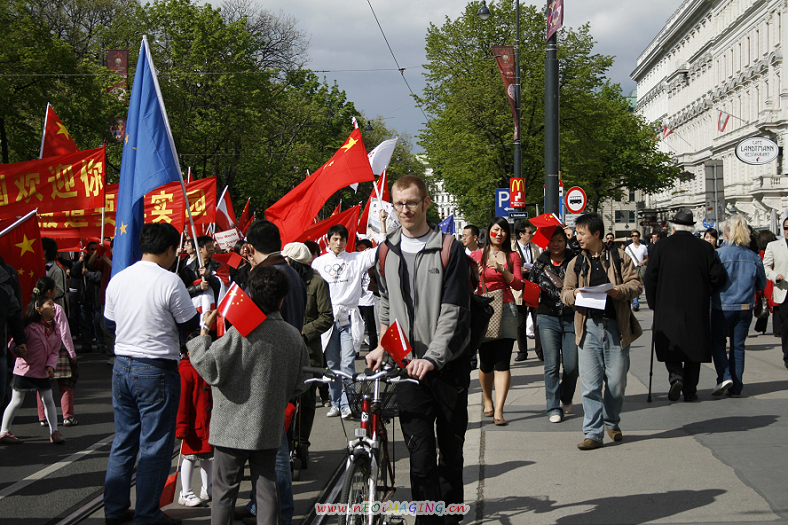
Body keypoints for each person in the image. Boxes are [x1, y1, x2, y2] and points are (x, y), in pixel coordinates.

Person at [366, 175, 471, 525]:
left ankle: (450, 516)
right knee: (420, 456)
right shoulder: (386, 250)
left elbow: (454, 310)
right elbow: (384, 301)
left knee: (450, 453)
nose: (406, 210)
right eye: (399, 203)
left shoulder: (449, 247)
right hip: (406, 369)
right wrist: (383, 343)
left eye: (412, 202)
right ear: (392, 207)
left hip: (447, 368)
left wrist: (433, 357)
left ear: (426, 203)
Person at [188, 266, 309, 525]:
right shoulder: (292, 337)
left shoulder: (241, 332)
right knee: (267, 489)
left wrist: (203, 333)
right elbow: (301, 383)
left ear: (251, 295)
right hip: (268, 423)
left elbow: (208, 367)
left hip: (231, 426)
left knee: (224, 490)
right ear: (281, 299)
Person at [103, 223, 200, 525]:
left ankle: (115, 510)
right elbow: (190, 325)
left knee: (124, 442)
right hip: (156, 369)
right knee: (155, 445)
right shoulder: (170, 282)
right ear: (170, 250)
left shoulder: (119, 279)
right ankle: (147, 513)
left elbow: (108, 325)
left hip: (122, 366)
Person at [242, 220, 307, 525]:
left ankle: (279, 512)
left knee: (274, 448)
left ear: (250, 248)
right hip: (290, 359)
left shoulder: (264, 276)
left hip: (266, 365)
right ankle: (261, 505)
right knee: (273, 441)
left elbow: (244, 324)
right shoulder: (293, 271)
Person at [560, 213, 643, 450]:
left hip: (616, 327)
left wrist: (619, 291)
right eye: (577, 233)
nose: (578, 237)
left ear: (596, 234)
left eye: (582, 233)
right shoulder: (576, 263)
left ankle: (611, 421)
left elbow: (636, 284)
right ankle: (592, 433)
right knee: (590, 385)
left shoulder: (620, 257)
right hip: (588, 328)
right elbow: (564, 293)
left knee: (616, 383)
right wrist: (574, 294)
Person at [644, 209, 726, 402]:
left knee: (669, 342)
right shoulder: (705, 248)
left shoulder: (661, 247)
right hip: (696, 305)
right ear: (691, 227)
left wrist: (654, 302)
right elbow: (718, 276)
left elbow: (650, 278)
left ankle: (675, 376)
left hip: (667, 304)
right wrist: (707, 291)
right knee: (694, 346)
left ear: (673, 227)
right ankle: (690, 390)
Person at [312, 223, 381, 419]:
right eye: (335, 239)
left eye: (342, 239)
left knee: (348, 363)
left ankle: (348, 403)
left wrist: (382, 224)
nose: (339, 242)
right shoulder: (318, 263)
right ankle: (336, 402)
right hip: (328, 319)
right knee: (332, 364)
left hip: (349, 318)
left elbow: (379, 249)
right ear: (328, 240)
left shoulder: (355, 259)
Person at [471, 217, 523, 426]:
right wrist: (477, 273)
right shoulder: (476, 255)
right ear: (488, 233)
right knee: (485, 362)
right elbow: (466, 283)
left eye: (503, 230)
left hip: (507, 307)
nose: (499, 234)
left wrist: (502, 269)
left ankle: (499, 410)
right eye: (495, 230)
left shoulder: (512, 256)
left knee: (503, 361)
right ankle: (487, 399)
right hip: (484, 309)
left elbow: (518, 284)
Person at [281, 241, 333, 449]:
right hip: (284, 348)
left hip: (308, 350)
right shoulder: (281, 280)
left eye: (287, 260)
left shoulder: (317, 282)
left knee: (307, 399)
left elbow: (327, 316)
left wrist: (304, 331)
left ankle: (302, 441)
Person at [711, 216, 767, 397]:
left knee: (718, 343)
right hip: (745, 307)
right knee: (738, 346)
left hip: (723, 306)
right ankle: (736, 387)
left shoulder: (719, 254)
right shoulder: (753, 257)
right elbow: (762, 284)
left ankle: (725, 375)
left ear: (727, 233)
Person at [2, 293, 64, 445]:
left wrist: (51, 365)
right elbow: (12, 343)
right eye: (49, 304)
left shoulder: (55, 329)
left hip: (42, 371)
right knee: (16, 401)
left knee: (48, 399)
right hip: (24, 370)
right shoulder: (29, 327)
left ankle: (54, 431)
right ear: (39, 309)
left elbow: (55, 351)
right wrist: (16, 349)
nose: (53, 307)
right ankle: (4, 431)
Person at [530, 227, 578, 423]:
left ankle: (566, 396)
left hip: (571, 317)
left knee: (571, 366)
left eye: (559, 240)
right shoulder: (539, 264)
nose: (556, 244)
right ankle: (552, 406)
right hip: (547, 317)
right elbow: (531, 290)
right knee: (551, 365)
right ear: (546, 243)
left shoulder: (576, 260)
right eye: (552, 241)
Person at [32, 277, 79, 427]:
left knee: (42, 385)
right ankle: (68, 416)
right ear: (49, 292)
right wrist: (72, 353)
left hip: (39, 350)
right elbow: (64, 332)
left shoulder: (33, 307)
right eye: (54, 289)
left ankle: (42, 417)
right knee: (65, 384)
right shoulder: (56, 308)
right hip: (57, 349)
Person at [175, 347, 213, 507]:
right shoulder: (185, 371)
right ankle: (186, 491)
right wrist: (181, 426)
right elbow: (182, 403)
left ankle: (207, 488)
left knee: (207, 457)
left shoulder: (203, 368)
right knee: (189, 458)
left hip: (206, 423)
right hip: (193, 424)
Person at [513, 220, 543, 362]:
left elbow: (540, 264)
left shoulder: (535, 248)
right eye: (529, 232)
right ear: (521, 234)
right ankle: (522, 351)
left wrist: (534, 269)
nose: (532, 234)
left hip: (532, 286)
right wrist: (520, 270)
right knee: (520, 322)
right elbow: (508, 267)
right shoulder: (511, 248)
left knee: (537, 320)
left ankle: (540, 351)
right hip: (519, 287)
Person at [0, 256, 26, 410]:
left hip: (0, 348)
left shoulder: (5, 276)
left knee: (2, 393)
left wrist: (20, 339)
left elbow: (14, 313)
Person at [72, 242, 105, 353]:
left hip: (96, 296)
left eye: (95, 249)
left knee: (97, 322)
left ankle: (101, 343)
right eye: (91, 249)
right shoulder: (83, 263)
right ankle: (87, 344)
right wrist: (79, 262)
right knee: (85, 322)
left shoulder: (100, 262)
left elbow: (99, 276)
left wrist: (87, 274)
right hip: (84, 296)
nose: (93, 251)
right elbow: (73, 273)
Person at [763, 221, 788, 366]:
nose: (787, 231)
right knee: (787, 326)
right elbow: (765, 267)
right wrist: (775, 276)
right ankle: (787, 356)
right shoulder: (774, 246)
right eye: (785, 228)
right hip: (784, 289)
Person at [180, 236, 221, 305]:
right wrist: (199, 287)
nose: (212, 249)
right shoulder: (188, 270)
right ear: (200, 249)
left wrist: (209, 277)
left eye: (212, 246)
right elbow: (182, 292)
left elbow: (223, 286)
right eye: (208, 247)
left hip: (214, 305)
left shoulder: (218, 266)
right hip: (195, 308)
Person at [355, 239, 378, 354]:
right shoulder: (356, 263)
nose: (361, 251)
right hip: (356, 301)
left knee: (371, 329)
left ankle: (372, 351)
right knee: (355, 328)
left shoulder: (372, 264)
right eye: (359, 249)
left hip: (369, 301)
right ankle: (355, 351)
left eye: (363, 248)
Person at [624, 230, 648, 311]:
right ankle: (635, 304)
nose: (634, 237)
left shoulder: (643, 247)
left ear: (639, 237)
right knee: (634, 285)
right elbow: (625, 258)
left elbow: (647, 258)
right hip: (632, 268)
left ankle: (635, 301)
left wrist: (642, 262)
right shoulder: (628, 248)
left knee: (640, 285)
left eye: (636, 236)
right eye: (633, 236)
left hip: (640, 268)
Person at [43, 238, 69, 314]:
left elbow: (61, 291)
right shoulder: (38, 267)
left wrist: (44, 295)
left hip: (54, 310)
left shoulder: (57, 270)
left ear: (44, 252)